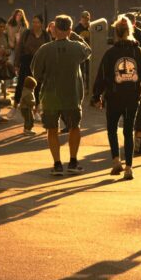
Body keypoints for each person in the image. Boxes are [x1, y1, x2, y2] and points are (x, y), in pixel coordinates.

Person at [91, 17, 141, 180]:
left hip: (114, 98)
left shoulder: (110, 53)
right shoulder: (136, 51)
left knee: (112, 129)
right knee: (128, 131)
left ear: (116, 34)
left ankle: (115, 161)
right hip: (132, 98)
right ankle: (129, 168)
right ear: (130, 32)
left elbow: (102, 76)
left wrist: (96, 96)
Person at [31, 15, 92, 175]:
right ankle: (73, 161)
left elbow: (35, 72)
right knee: (74, 127)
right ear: (70, 29)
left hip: (50, 95)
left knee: (52, 129)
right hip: (72, 94)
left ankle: (57, 164)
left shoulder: (44, 49)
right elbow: (89, 50)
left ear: (54, 29)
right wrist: (74, 35)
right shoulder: (77, 47)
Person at [124, 13, 141, 154]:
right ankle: (135, 145)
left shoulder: (139, 35)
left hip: (132, 79)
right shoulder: (135, 35)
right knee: (136, 118)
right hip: (133, 78)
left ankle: (136, 145)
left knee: (137, 119)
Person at [14, 14, 50, 107]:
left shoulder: (46, 35)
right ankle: (15, 105)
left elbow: (49, 50)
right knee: (21, 83)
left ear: (41, 24)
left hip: (40, 62)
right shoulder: (26, 33)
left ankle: (36, 107)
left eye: (37, 22)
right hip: (27, 60)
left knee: (38, 85)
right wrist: (17, 64)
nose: (34, 24)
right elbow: (19, 48)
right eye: (33, 22)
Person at [5, 9, 29, 101]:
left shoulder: (24, 27)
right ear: (14, 15)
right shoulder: (9, 25)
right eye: (17, 15)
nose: (19, 16)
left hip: (20, 50)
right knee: (9, 66)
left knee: (19, 68)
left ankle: (19, 89)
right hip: (10, 49)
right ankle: (6, 88)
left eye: (21, 15)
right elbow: (5, 36)